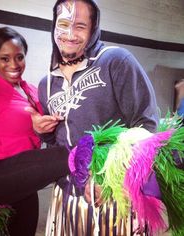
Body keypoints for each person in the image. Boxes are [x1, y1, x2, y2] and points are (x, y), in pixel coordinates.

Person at [28, 0, 158, 235]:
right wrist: (43, 130)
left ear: (93, 28)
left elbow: (146, 126)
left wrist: (111, 176)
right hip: (67, 197)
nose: (69, 34)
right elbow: (57, 142)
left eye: (79, 26)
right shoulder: (46, 83)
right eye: (63, 24)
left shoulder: (116, 61)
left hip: (112, 196)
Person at [0, 27, 70, 236]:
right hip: (4, 177)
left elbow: (43, 135)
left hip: (29, 179)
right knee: (69, 156)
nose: (14, 65)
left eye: (19, 57)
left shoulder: (32, 91)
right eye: (5, 59)